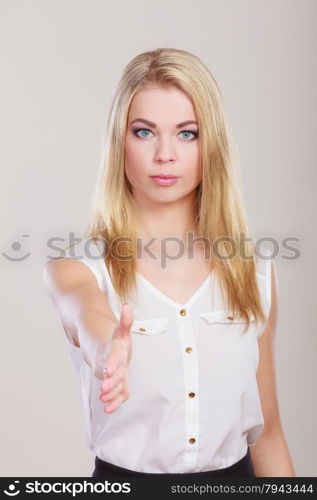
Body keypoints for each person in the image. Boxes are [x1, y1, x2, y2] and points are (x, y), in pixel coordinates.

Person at [43, 47, 296, 478]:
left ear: (210, 142)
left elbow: (268, 434)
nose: (164, 154)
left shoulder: (254, 271)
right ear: (119, 141)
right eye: (143, 132)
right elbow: (87, 313)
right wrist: (106, 348)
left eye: (187, 133)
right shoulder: (78, 268)